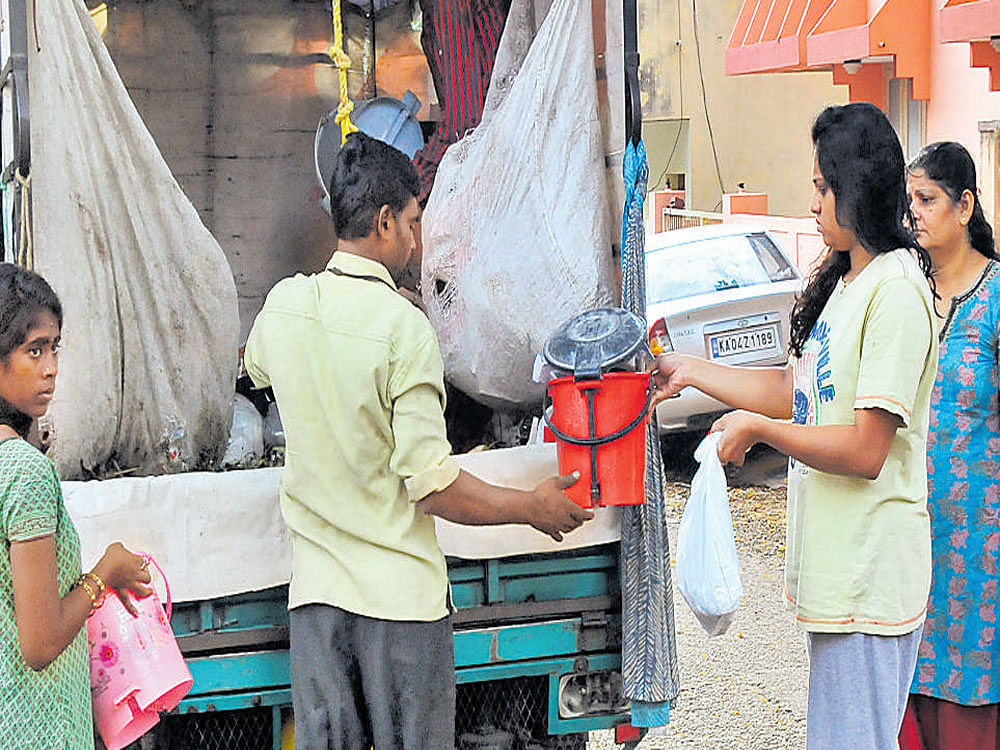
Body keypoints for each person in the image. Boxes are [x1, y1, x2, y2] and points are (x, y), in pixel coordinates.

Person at [243, 131, 593, 749]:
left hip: (318, 610)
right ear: (383, 223)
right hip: (401, 611)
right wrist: (528, 506)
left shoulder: (285, 305)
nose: (417, 237)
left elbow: (259, 369)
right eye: (411, 220)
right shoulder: (405, 330)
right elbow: (431, 486)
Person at [652, 102, 938, 748]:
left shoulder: (895, 290)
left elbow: (867, 448)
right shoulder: (848, 282)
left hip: (871, 575)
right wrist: (693, 371)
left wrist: (758, 431)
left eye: (820, 186)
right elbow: (794, 392)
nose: (812, 203)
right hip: (840, 575)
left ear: (854, 187)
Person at [0, 264, 152, 749]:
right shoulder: (24, 473)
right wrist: (103, 574)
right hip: (37, 727)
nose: (51, 367)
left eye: (54, 347)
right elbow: (40, 643)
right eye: (33, 349)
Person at [898, 141, 1000, 750]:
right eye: (908, 200)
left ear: (964, 206)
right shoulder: (902, 292)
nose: (914, 213)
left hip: (981, 557)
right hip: (907, 543)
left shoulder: (995, 300)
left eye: (927, 199)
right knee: (904, 699)